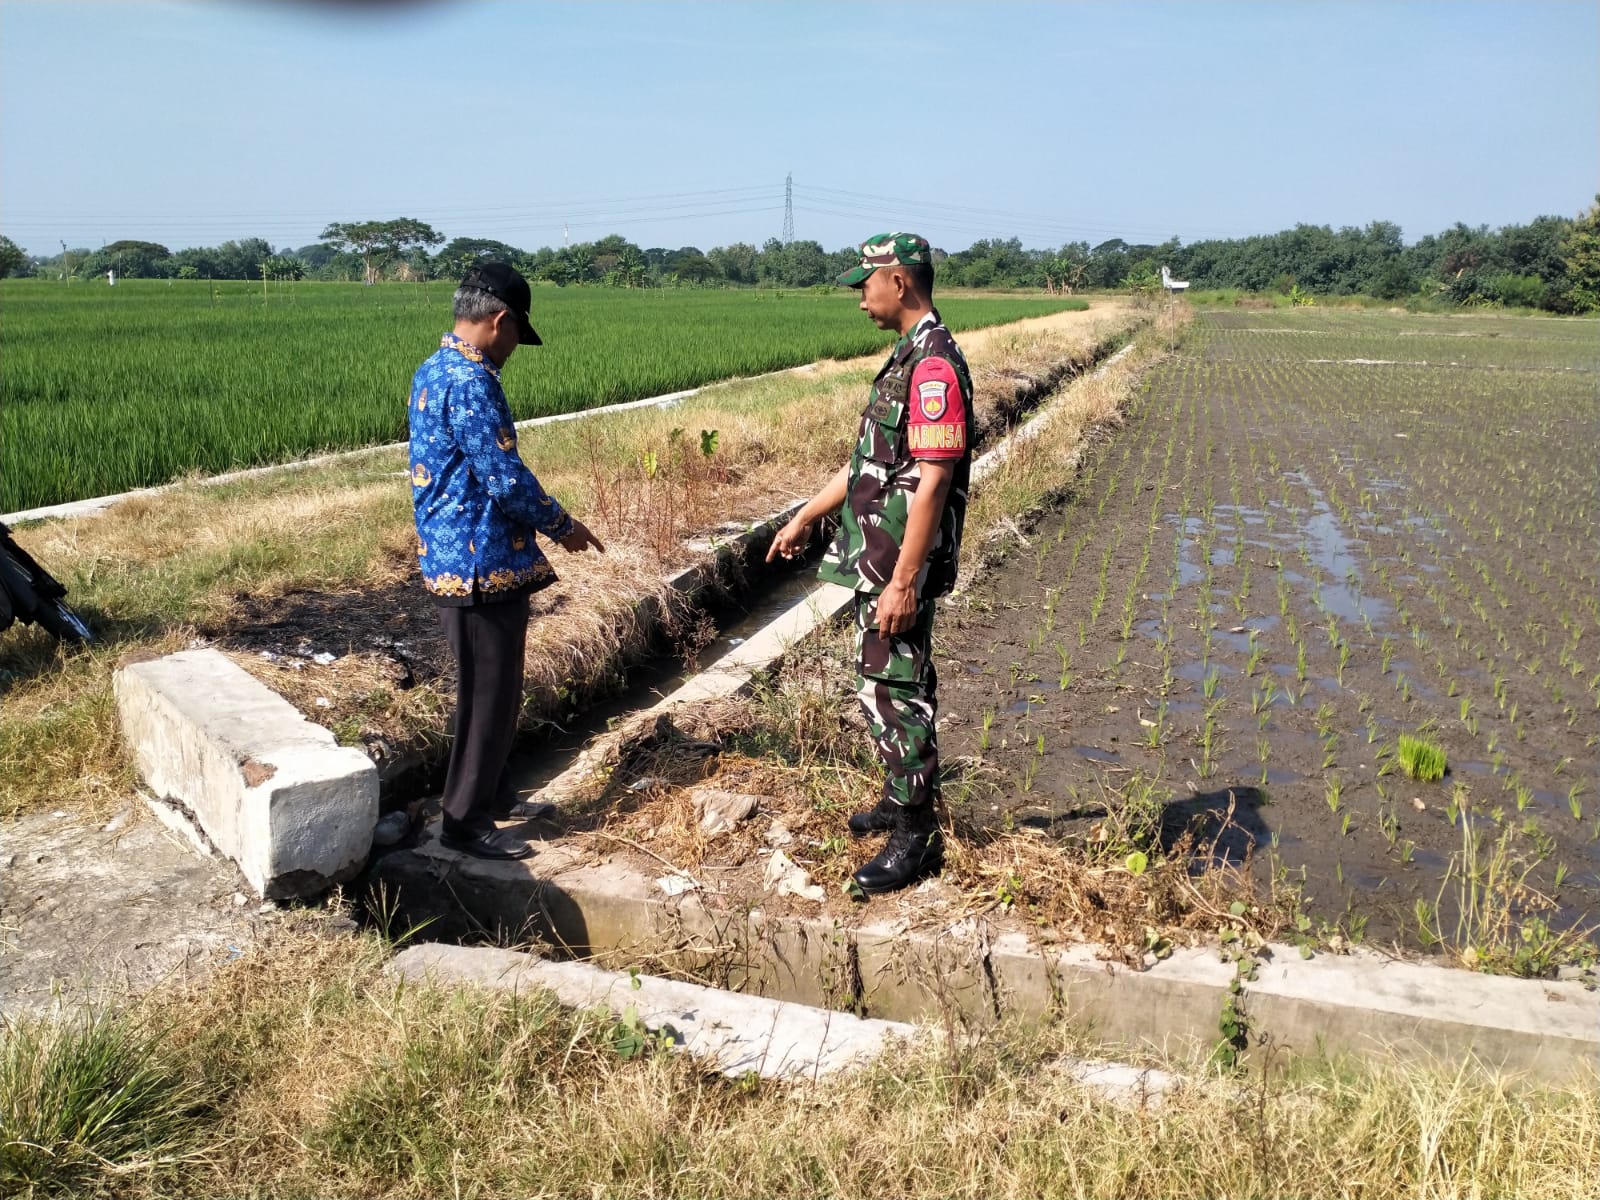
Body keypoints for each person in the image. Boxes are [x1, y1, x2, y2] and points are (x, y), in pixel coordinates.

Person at [767, 233, 974, 895]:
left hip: (895, 567)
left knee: (895, 689)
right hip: (875, 558)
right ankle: (899, 795)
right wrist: (806, 514)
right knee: (886, 682)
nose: (861, 297)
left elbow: (934, 482)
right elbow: (868, 465)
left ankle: (916, 835)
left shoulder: (934, 366)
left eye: (868, 283)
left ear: (901, 283)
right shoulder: (908, 358)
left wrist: (905, 581)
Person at [409, 262, 605, 859]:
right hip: (476, 561)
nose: (516, 347)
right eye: (519, 333)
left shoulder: (434, 368)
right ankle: (464, 821)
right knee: (487, 692)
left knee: (498, 685)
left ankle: (493, 794)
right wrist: (563, 525)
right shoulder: (471, 380)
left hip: (467, 555)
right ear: (499, 322)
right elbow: (503, 478)